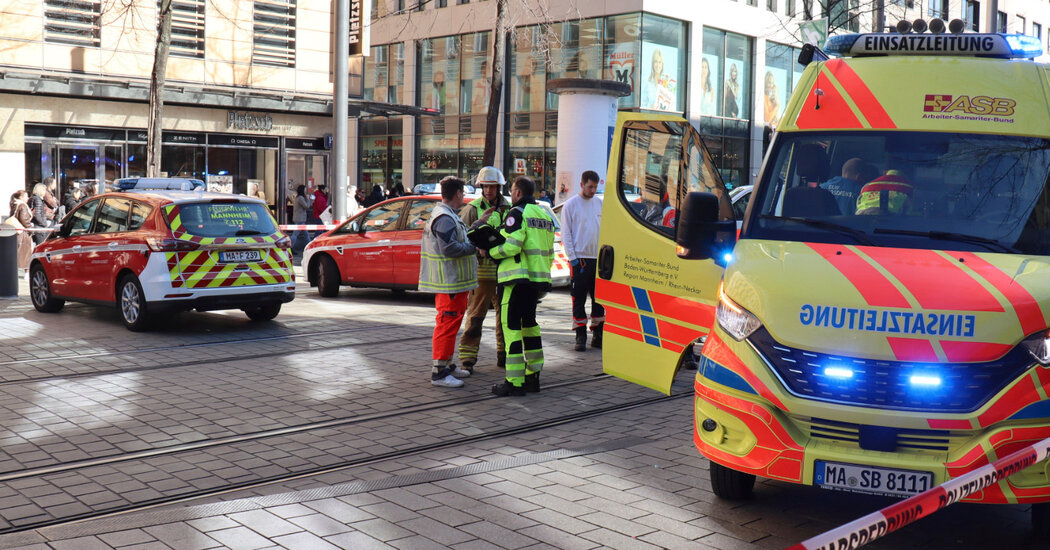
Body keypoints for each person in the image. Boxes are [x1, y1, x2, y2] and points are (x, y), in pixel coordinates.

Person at [487, 176, 555, 396]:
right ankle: (533, 377)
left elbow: (512, 246)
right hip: (535, 281)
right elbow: (549, 251)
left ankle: (514, 382)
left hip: (515, 280)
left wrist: (491, 251)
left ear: (517, 192)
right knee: (530, 327)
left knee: (512, 328)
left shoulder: (516, 213)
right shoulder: (544, 215)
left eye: (512, 190)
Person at [419, 176, 477, 388]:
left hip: (454, 283)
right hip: (449, 283)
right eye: (463, 193)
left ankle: (447, 365)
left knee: (451, 325)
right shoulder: (444, 217)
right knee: (447, 325)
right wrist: (473, 248)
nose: (464, 197)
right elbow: (449, 248)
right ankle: (439, 373)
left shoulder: (448, 214)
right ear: (459, 193)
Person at [457, 166, 511, 373]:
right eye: (486, 186)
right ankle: (467, 360)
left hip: (504, 271)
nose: (489, 190)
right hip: (481, 273)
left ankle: (504, 355)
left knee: (505, 317)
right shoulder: (472, 209)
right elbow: (462, 237)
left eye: (493, 187)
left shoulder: (509, 209)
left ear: (499, 187)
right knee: (476, 317)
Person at [560, 170, 605, 352]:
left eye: (595, 187)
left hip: (598, 259)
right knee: (578, 299)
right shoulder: (571, 205)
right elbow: (566, 234)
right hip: (580, 259)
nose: (593, 190)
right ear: (582, 184)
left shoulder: (600, 204)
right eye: (590, 186)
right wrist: (573, 258)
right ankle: (580, 335)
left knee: (599, 299)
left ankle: (598, 334)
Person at [8, 190, 34, 273]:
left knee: (17, 254)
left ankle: (14, 272)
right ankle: (26, 274)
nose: (28, 198)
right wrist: (31, 229)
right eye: (26, 196)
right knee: (26, 254)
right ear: (21, 197)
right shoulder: (22, 205)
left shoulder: (15, 204)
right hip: (23, 233)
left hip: (17, 231)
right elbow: (24, 219)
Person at [291, 184, 313, 253]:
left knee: (306, 234)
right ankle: (290, 247)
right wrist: (309, 199)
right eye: (305, 189)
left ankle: (310, 247)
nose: (306, 191)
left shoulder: (299, 197)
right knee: (295, 234)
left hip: (300, 218)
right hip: (299, 219)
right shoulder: (300, 198)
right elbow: (306, 206)